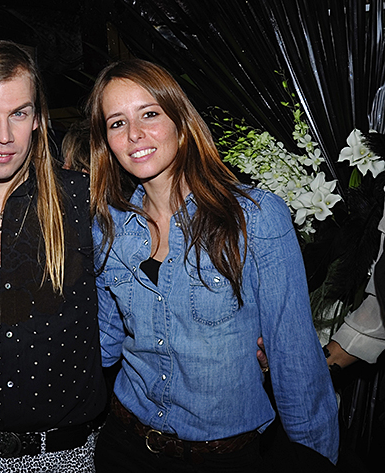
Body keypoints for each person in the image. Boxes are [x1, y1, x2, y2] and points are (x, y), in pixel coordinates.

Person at [88, 58, 339, 472]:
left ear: (181, 122)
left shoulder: (254, 219)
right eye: (117, 123)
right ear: (106, 142)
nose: (134, 134)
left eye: (149, 114)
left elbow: (296, 362)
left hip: (225, 458)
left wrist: (315, 460)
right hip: (124, 446)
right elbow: (102, 343)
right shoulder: (107, 227)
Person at [0, 40, 107, 472]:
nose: (4, 136)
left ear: (37, 119)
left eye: (19, 113)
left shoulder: (82, 201)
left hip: (68, 457)